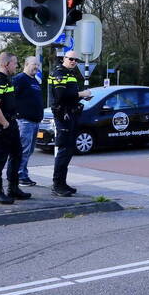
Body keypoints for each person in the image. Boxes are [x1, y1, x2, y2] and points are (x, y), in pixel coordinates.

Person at [0, 52, 31, 204]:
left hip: (11, 124)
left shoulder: (7, 80)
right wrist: (5, 123)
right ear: (6, 64)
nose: (16, 66)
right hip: (3, 125)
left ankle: (13, 188)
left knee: (17, 155)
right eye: (15, 63)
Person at [49, 50, 92, 197]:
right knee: (63, 150)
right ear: (64, 59)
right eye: (71, 59)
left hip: (70, 113)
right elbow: (61, 95)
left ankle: (62, 182)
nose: (74, 62)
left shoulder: (69, 73)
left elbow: (69, 96)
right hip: (63, 115)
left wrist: (80, 99)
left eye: (76, 60)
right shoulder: (60, 72)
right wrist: (82, 94)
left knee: (68, 150)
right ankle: (57, 185)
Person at [13, 55, 44, 187]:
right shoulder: (20, 79)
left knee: (29, 151)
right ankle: (19, 176)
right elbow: (11, 97)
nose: (36, 67)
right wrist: (17, 114)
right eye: (34, 64)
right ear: (26, 64)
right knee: (23, 150)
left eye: (38, 65)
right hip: (25, 121)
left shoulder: (35, 81)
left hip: (34, 121)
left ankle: (23, 174)